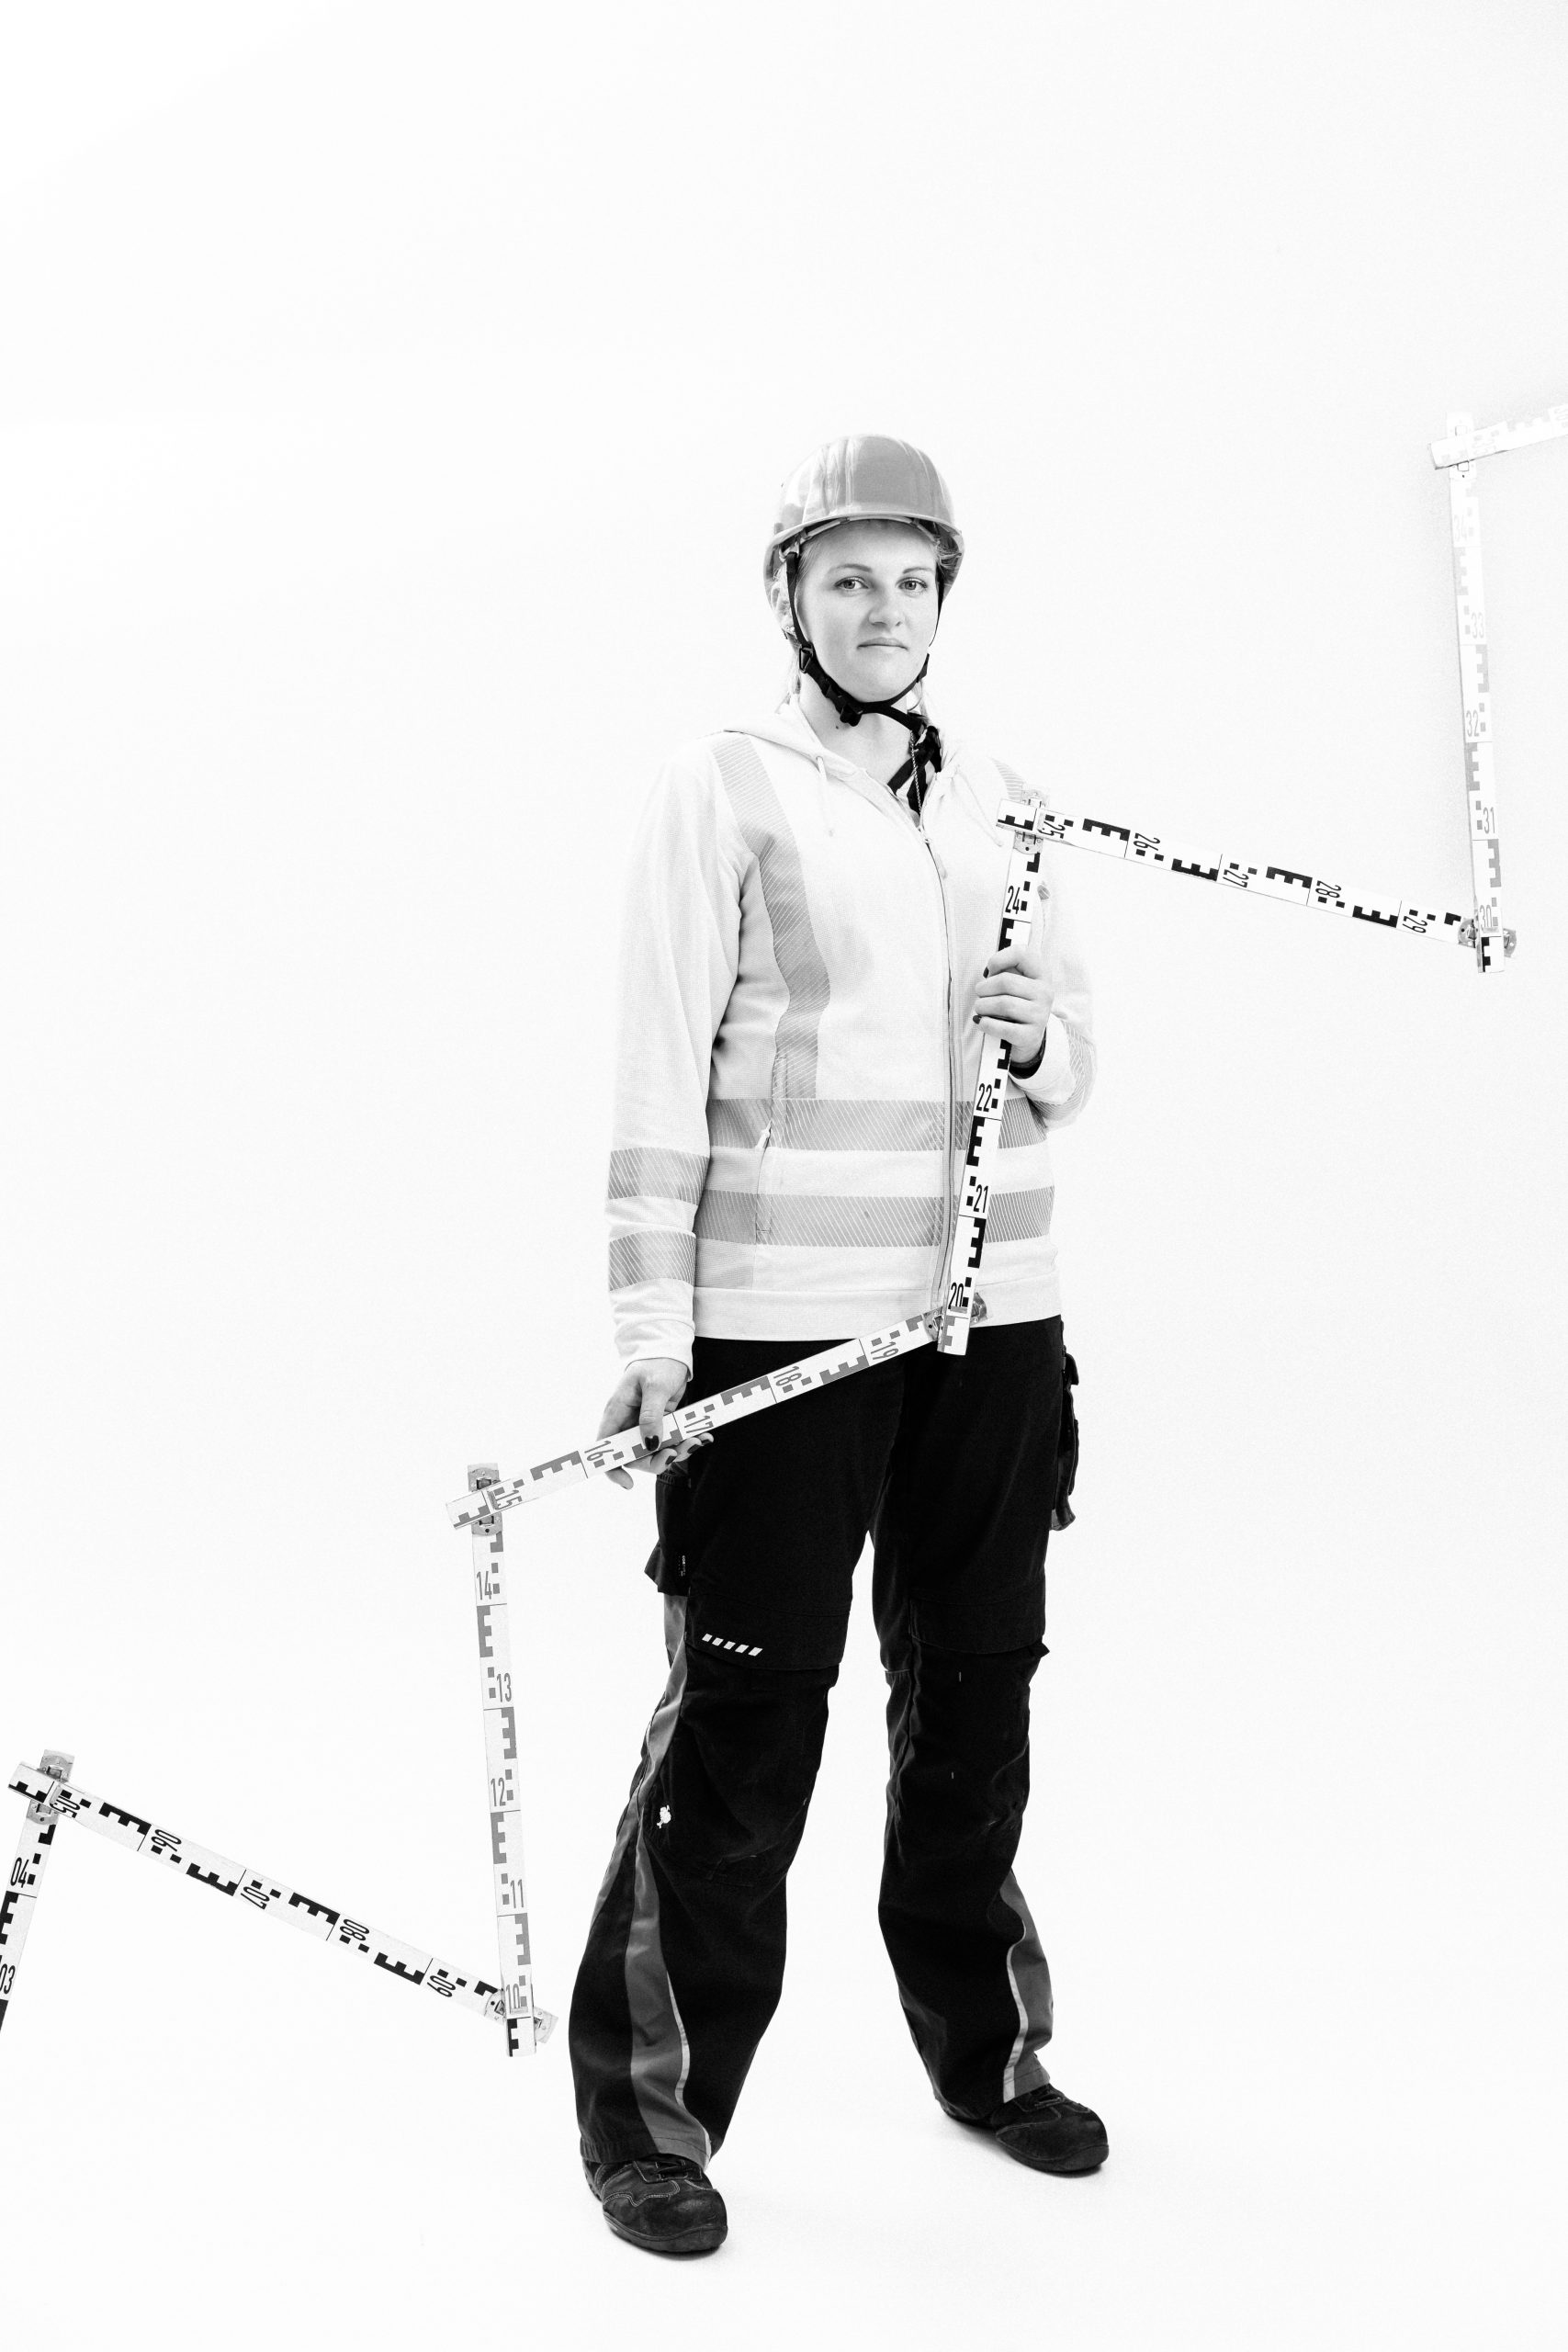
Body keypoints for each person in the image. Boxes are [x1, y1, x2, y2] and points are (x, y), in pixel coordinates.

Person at [569, 435, 1103, 2257]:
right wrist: (652, 1330)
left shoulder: (1008, 801)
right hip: (783, 1336)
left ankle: (987, 2055)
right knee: (746, 1721)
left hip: (994, 1325)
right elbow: (656, 1066)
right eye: (848, 577)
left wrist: (1039, 1043)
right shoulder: (720, 786)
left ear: (946, 596)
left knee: (974, 1699)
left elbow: (1078, 1066)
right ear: (788, 595)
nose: (885, 609)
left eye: (912, 579)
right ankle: (653, 2120)